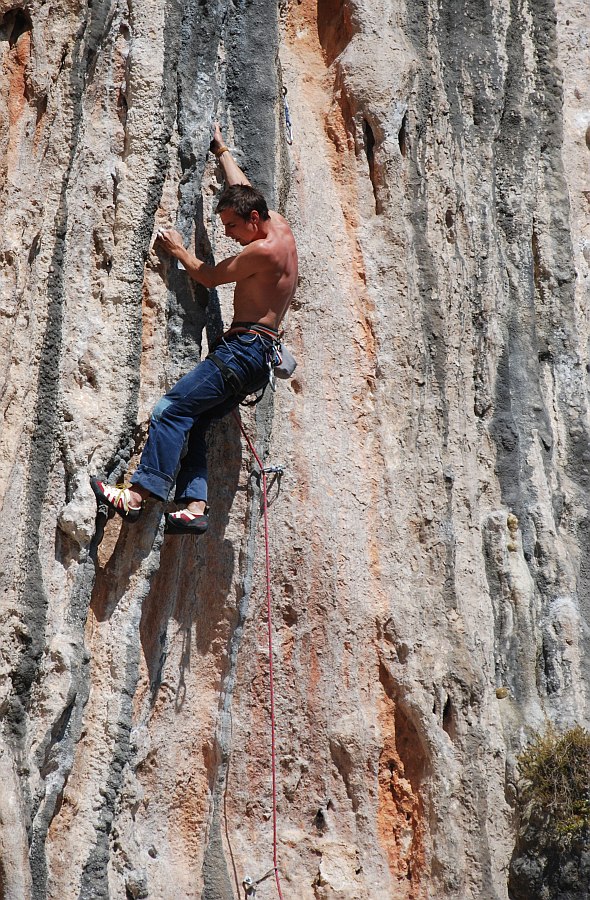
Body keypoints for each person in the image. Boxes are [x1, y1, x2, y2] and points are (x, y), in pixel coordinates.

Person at [91, 124, 298, 534]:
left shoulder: (262, 251)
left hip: (243, 352)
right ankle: (194, 507)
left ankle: (136, 497)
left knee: (170, 409)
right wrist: (221, 150)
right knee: (195, 421)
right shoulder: (278, 226)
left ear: (253, 220)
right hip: (257, 358)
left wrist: (178, 250)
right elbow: (243, 186)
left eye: (232, 227)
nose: (227, 233)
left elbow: (209, 277)